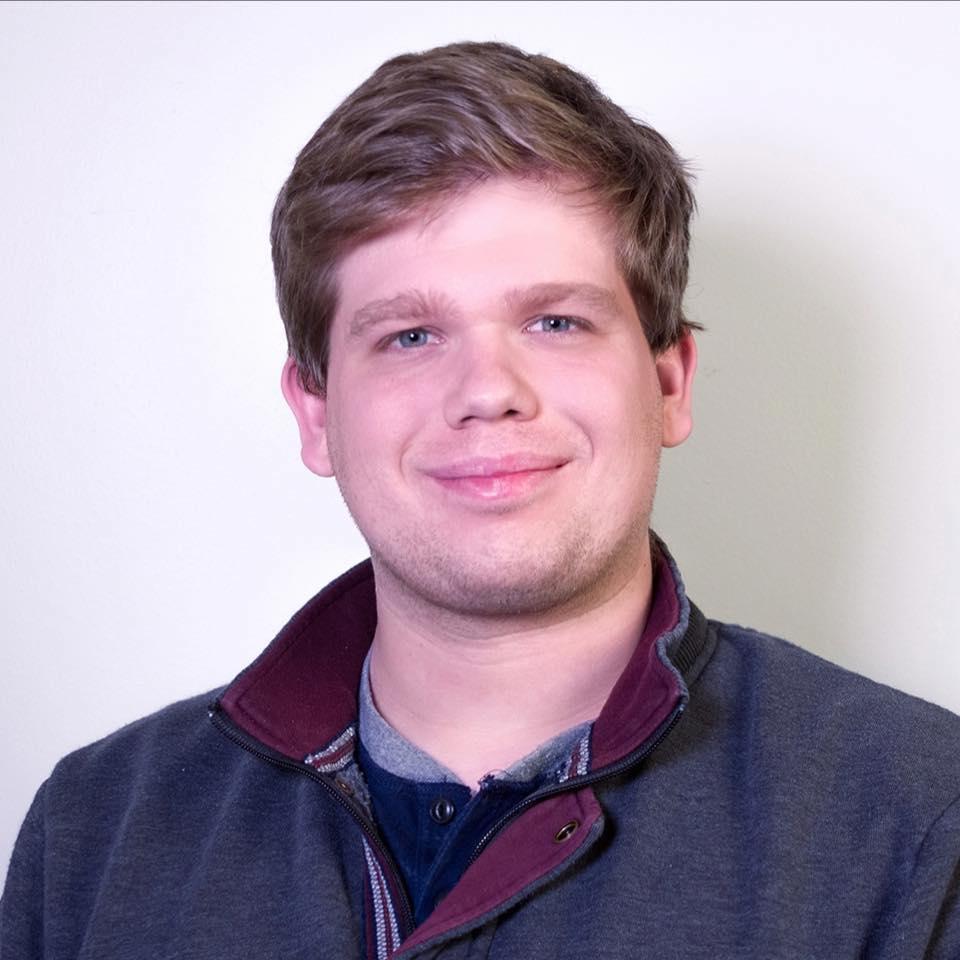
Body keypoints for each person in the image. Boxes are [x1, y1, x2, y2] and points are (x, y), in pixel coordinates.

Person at [2, 39, 959, 960]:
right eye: (411, 336)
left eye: (556, 321)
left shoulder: (920, 821)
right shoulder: (93, 833)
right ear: (316, 414)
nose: (488, 390)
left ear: (670, 384)